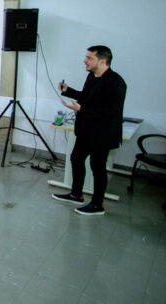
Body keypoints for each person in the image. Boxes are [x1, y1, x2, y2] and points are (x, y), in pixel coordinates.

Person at [52, 45, 127, 216]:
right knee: (76, 158)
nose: (84, 61)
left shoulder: (116, 82)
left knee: (97, 167)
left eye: (89, 58)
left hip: (103, 133)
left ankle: (97, 205)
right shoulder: (92, 76)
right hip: (86, 130)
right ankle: (76, 194)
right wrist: (68, 91)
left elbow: (113, 111)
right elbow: (87, 97)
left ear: (102, 61)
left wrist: (82, 110)